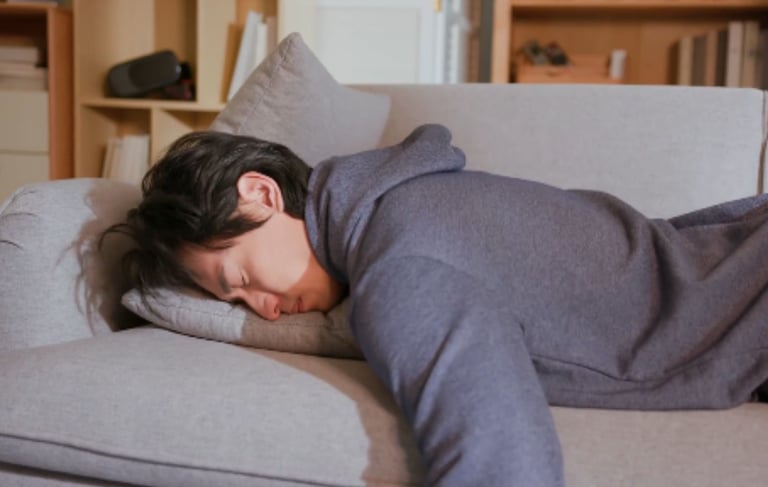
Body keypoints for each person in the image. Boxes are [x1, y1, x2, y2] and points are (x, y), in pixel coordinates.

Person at [109, 124, 768, 487]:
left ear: (260, 193)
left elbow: (502, 455)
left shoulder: (398, 270)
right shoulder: (401, 191)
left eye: (239, 278)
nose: (264, 310)